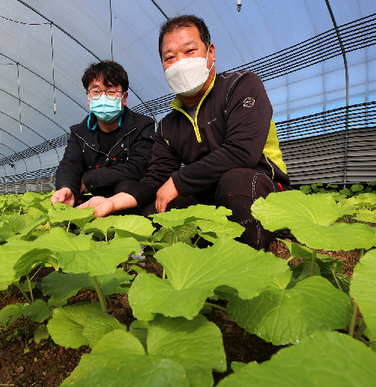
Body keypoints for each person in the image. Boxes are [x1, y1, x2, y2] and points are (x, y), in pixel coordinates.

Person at [79, 15, 290, 250]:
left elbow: (242, 151)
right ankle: (195, 253)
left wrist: (178, 181)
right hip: (205, 197)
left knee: (236, 183)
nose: (180, 63)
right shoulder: (168, 125)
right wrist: (111, 202)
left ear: (210, 52)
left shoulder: (240, 86)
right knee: (153, 209)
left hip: (260, 185)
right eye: (170, 57)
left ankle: (254, 251)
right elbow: (156, 178)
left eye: (189, 51)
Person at [51, 60, 155, 208]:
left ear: (124, 98)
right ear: (88, 97)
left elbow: (138, 167)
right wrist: (67, 187)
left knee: (126, 185)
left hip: (130, 198)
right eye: (96, 91)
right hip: (98, 195)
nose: (103, 97)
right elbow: (70, 164)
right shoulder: (79, 132)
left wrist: (88, 179)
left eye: (111, 91)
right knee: (70, 208)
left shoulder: (142, 126)